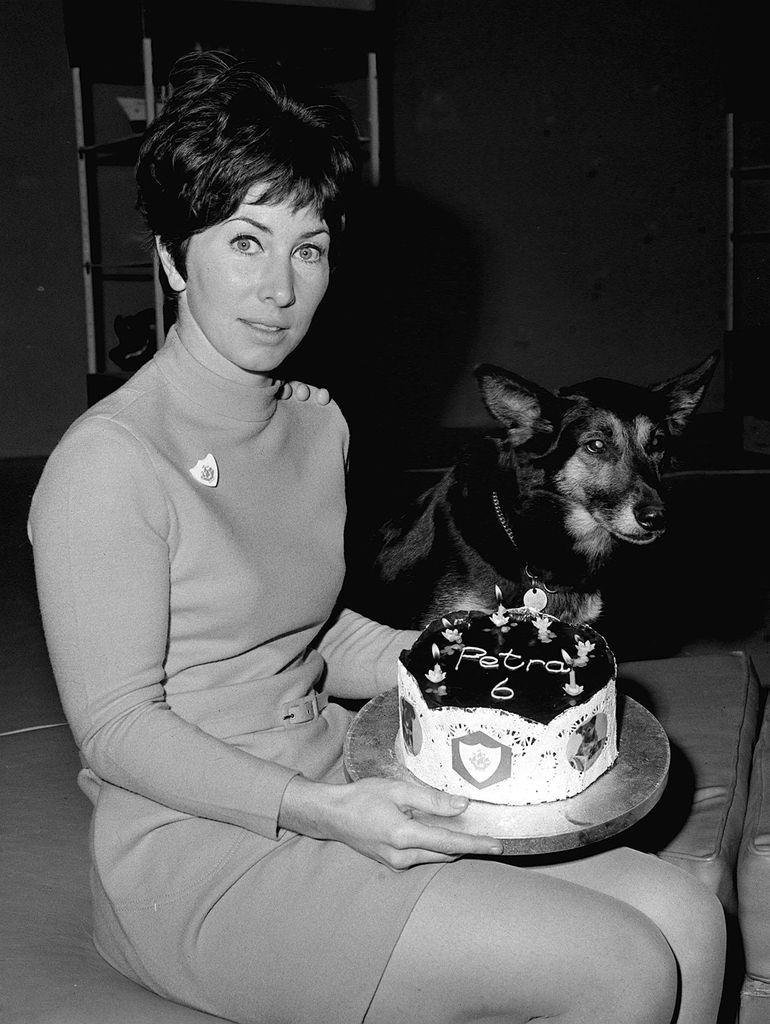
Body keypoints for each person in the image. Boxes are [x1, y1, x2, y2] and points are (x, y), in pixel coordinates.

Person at [29, 50, 725, 1024]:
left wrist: (482, 659)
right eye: (243, 241)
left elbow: (313, 636)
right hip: (200, 846)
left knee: (688, 919)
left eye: (306, 248)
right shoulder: (105, 463)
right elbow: (116, 728)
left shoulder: (317, 424)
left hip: (342, 772)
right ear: (175, 257)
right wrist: (319, 809)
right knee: (623, 966)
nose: (277, 285)